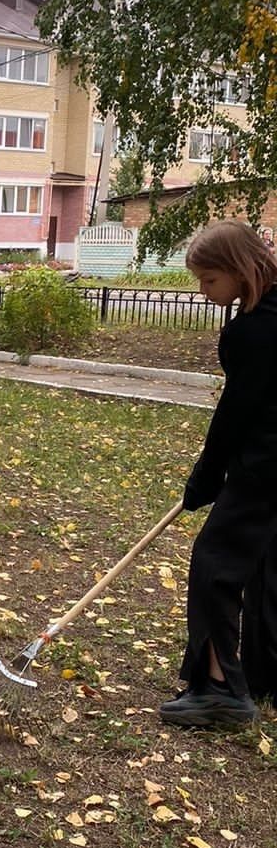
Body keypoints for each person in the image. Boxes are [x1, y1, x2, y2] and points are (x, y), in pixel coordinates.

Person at [159, 220, 277, 728]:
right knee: (264, 566)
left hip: (265, 468)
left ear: (239, 269)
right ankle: (264, 674)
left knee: (216, 563)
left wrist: (205, 479)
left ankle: (222, 690)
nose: (204, 291)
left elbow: (236, 412)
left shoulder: (254, 330)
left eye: (209, 280)